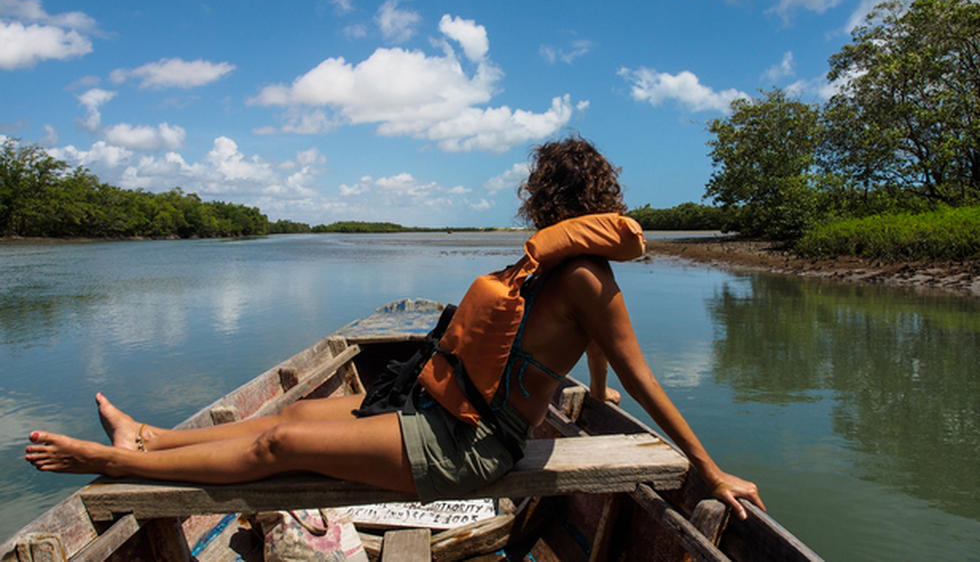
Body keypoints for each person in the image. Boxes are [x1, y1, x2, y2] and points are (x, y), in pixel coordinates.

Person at [25, 136, 764, 520]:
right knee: (296, 413)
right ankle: (152, 437)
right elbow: (605, 362)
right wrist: (594, 394)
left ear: (546, 201)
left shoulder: (583, 276)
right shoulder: (553, 271)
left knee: (278, 443)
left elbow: (640, 377)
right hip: (440, 408)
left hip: (473, 446)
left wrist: (706, 467)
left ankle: (118, 464)